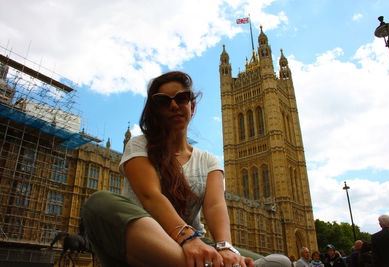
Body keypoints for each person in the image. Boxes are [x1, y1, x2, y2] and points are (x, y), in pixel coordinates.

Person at [80, 71, 261, 267]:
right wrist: (187, 238)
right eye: (163, 101)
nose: (173, 105)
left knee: (270, 262)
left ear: (192, 107)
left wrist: (225, 248)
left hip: (198, 244)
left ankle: (206, 263)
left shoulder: (209, 161)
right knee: (98, 203)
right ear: (155, 111)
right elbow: (151, 196)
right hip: (149, 241)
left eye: (181, 98)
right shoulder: (139, 146)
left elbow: (216, 206)